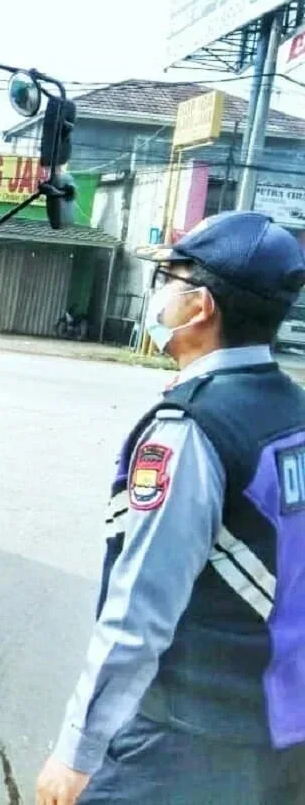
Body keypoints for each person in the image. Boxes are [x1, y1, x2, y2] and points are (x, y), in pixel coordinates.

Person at [36, 211, 305, 804]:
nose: (158, 294)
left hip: (192, 739)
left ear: (200, 307)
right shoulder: (292, 411)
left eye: (170, 278)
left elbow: (139, 613)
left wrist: (76, 751)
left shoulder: (192, 427)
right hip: (282, 729)